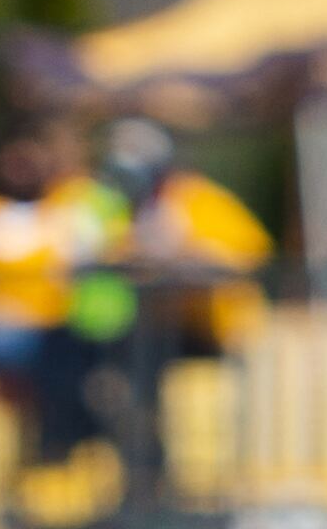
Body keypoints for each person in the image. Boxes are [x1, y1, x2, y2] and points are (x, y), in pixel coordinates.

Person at [0, 125, 122, 456]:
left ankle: (56, 452)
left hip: (46, 334)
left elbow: (93, 266)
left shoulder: (67, 215)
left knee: (67, 372)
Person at [108, 116, 272, 359]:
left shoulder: (198, 198)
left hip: (221, 333)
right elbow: (119, 252)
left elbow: (254, 254)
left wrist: (187, 252)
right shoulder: (137, 208)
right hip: (168, 332)